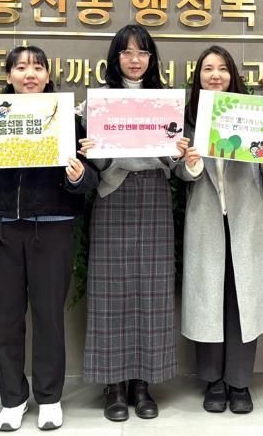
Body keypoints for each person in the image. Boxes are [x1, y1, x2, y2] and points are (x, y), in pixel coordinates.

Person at [0, 45, 98, 432]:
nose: (29, 74)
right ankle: (13, 399)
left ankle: (49, 398)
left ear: (49, 75)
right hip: (0, 226)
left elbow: (90, 178)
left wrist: (77, 176)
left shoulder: (67, 121)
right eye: (20, 67)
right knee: (5, 318)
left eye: (37, 67)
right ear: (9, 76)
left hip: (52, 225)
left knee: (49, 316)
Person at [78, 24, 189, 422]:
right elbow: (93, 163)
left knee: (152, 291)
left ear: (152, 58)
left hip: (155, 195)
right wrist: (92, 150)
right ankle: (113, 385)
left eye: (142, 52)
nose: (135, 59)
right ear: (115, 58)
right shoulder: (97, 103)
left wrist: (177, 154)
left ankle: (143, 384)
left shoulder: (166, 101)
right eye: (126, 52)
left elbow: (174, 164)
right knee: (110, 291)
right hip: (113, 195)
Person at [175, 45, 263, 414]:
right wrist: (190, 164)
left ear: (233, 76)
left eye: (223, 69)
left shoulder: (253, 114)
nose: (215, 75)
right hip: (206, 220)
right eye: (208, 69)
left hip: (248, 222)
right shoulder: (187, 119)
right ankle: (213, 380)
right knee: (208, 301)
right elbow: (179, 173)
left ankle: (240, 382)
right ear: (198, 76)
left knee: (243, 302)